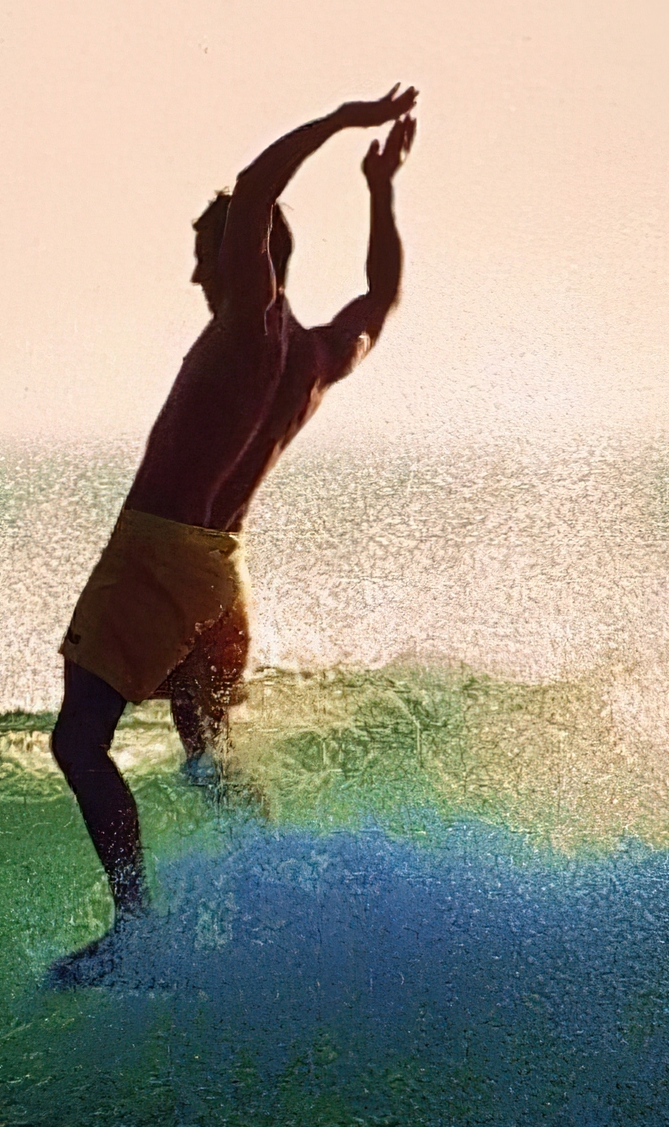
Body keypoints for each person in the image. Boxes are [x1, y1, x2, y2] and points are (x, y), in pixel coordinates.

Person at [49, 86, 419, 981]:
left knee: (79, 743)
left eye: (201, 257)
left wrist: (340, 123)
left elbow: (256, 187)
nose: (194, 276)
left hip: (157, 556)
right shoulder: (318, 358)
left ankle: (135, 927)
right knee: (204, 750)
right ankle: (278, 889)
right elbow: (383, 295)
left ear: (243, 257)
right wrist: (381, 191)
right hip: (223, 575)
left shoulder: (249, 323)